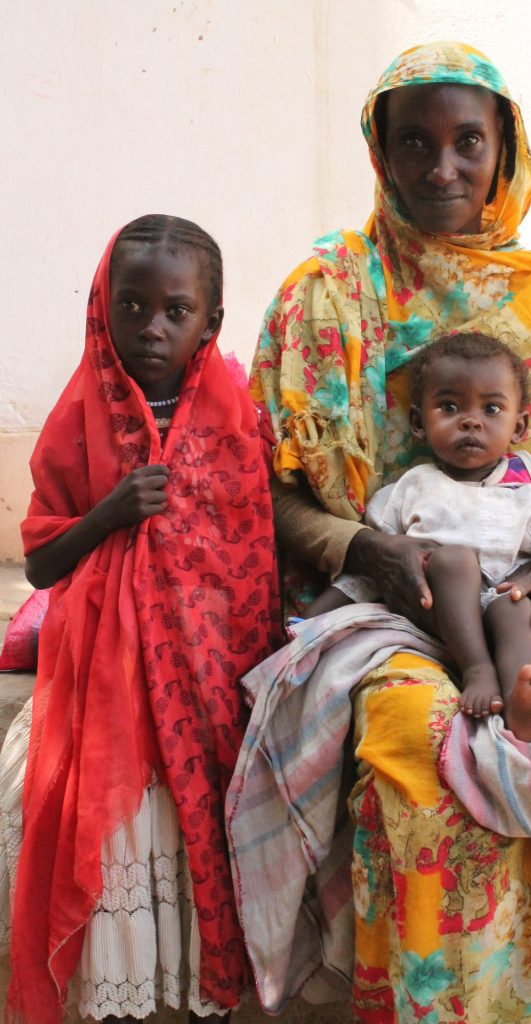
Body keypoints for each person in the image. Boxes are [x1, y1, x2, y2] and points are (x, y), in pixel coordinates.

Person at [242, 41, 531, 1023]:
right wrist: (368, 550)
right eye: (414, 145)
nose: (441, 170)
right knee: (412, 733)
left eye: (466, 143)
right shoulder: (329, 291)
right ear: (379, 155)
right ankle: (423, 1003)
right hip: (395, 602)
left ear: (504, 152)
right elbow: (270, 493)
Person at [0, 215, 280, 1024]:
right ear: (102, 308)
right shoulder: (75, 417)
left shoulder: (234, 416)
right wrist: (109, 515)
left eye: (174, 311)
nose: (150, 329)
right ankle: (115, 988)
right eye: (131, 307)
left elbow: (249, 556)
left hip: (204, 676)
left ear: (210, 322)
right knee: (100, 824)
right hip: (104, 672)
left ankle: (190, 983)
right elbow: (46, 562)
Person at [307, 331, 531, 740]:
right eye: (450, 407)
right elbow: (374, 567)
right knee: (451, 561)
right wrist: (316, 619)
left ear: (519, 425)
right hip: (441, 617)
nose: (471, 421)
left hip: (509, 603)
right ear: (419, 422)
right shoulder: (408, 489)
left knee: (516, 602)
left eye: (492, 408)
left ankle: (520, 701)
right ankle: (478, 670)